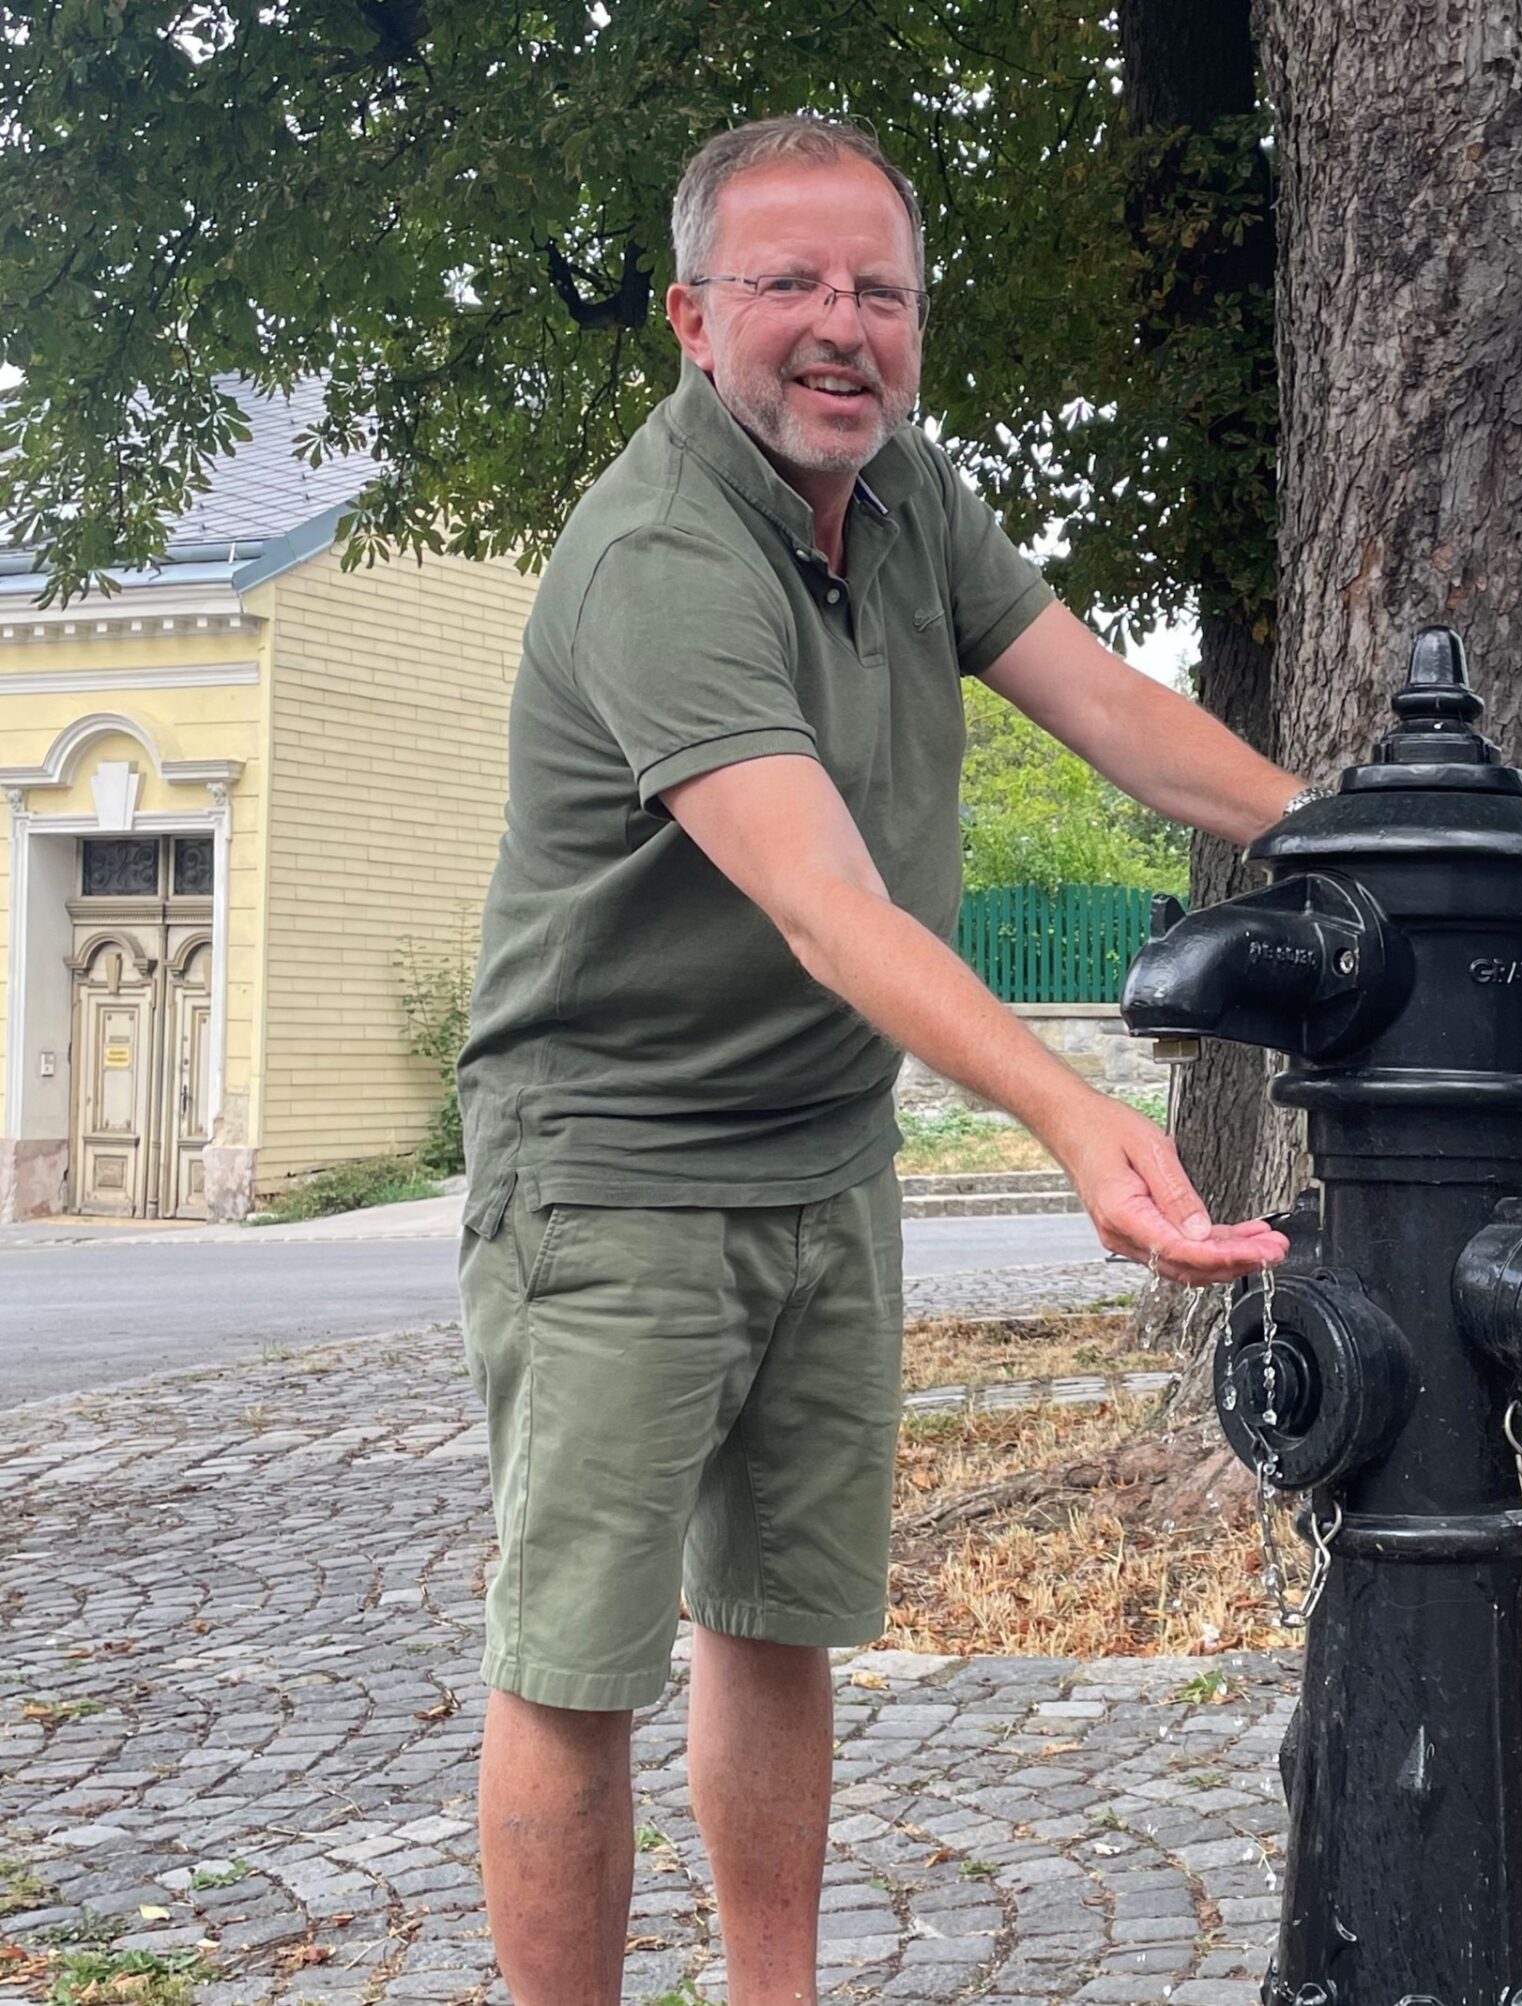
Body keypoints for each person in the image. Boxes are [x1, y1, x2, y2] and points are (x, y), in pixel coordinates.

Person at [453, 114, 1299, 2004]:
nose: (841, 328)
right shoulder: (659, 558)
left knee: (776, 1623)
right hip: (611, 1162)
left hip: (822, 1150)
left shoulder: (909, 491)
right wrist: (1080, 1118)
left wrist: (1349, 835)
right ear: (691, 316)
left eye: (879, 291)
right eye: (788, 285)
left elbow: (1114, 712)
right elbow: (830, 909)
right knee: (575, 1658)